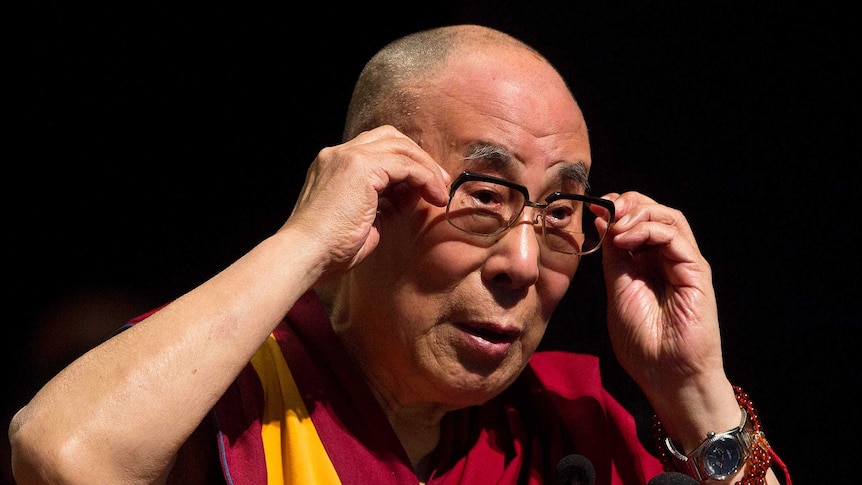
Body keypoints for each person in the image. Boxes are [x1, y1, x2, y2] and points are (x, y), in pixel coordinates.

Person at [8, 24, 790, 485]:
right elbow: (59, 455)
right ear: (372, 189)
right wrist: (306, 240)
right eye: (483, 196)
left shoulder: (564, 428)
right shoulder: (238, 390)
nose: (523, 260)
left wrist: (693, 392)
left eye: (558, 210)